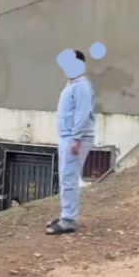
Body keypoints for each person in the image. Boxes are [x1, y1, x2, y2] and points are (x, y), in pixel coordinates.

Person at [46, 49, 95, 236]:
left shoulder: (81, 86)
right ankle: (66, 215)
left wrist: (76, 138)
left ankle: (68, 220)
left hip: (75, 138)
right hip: (68, 136)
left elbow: (82, 113)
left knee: (69, 178)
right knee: (65, 177)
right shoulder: (72, 85)